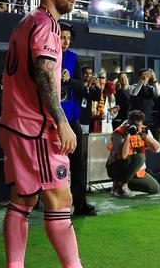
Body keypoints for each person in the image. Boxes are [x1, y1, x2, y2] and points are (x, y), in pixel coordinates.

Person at [0, 0, 83, 268]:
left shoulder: (27, 21)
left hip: (15, 123)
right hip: (34, 128)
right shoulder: (46, 23)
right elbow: (44, 77)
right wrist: (61, 121)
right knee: (60, 201)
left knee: (23, 200)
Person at [58, 20, 96, 216]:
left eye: (68, 39)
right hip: (50, 118)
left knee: (77, 161)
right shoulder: (44, 56)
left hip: (71, 118)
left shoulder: (73, 58)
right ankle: (41, 200)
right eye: (62, 37)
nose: (65, 42)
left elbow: (82, 88)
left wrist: (69, 80)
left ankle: (80, 203)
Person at [107, 110, 160, 197]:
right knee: (140, 157)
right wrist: (127, 137)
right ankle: (121, 185)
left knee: (155, 188)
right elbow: (123, 156)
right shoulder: (118, 133)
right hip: (117, 167)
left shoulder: (144, 131)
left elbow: (158, 149)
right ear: (129, 122)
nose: (137, 128)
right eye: (135, 125)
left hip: (136, 170)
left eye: (139, 125)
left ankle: (122, 184)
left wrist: (148, 138)